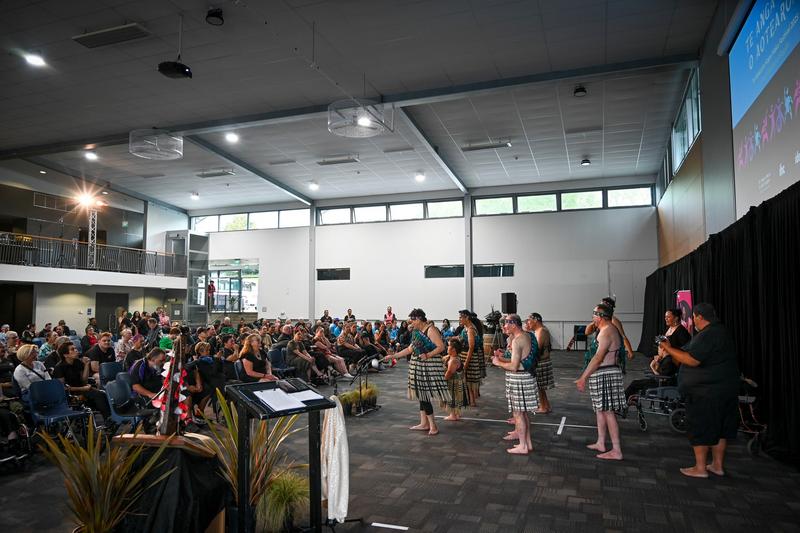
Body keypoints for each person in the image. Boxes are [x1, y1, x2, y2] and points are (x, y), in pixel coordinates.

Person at [659, 303, 739, 478]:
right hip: (723, 389)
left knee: (700, 428)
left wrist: (667, 348)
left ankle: (700, 468)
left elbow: (692, 360)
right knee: (720, 429)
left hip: (706, 393)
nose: (693, 320)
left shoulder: (709, 335)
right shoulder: (721, 332)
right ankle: (717, 466)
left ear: (699, 317)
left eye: (693, 317)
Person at [574, 304, 626, 460]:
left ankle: (616, 450)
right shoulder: (605, 330)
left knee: (608, 411)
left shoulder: (607, 331)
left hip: (606, 373)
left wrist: (584, 377)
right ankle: (601, 442)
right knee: (600, 410)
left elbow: (598, 358)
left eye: (594, 314)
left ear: (601, 316)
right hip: (603, 373)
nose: (592, 317)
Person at [394, 309, 450, 436]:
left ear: (418, 319)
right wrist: (393, 356)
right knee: (421, 394)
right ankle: (424, 423)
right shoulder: (417, 332)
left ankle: (433, 426)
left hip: (429, 367)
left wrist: (428, 354)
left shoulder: (431, 330)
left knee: (424, 395)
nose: (411, 322)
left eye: (412, 320)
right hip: (419, 367)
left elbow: (441, 347)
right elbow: (410, 349)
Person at [492, 314, 539, 455]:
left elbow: (513, 366)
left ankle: (523, 446)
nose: (504, 326)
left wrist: (497, 362)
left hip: (520, 379)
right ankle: (528, 444)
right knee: (523, 414)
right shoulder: (528, 335)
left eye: (506, 323)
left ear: (513, 324)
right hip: (526, 377)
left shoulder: (518, 340)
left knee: (519, 414)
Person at [625, 308, 691, 401]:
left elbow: (684, 349)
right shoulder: (669, 329)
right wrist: (660, 356)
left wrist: (667, 355)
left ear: (676, 318)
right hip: (665, 361)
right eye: (665, 317)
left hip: (672, 364)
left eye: (668, 317)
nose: (666, 319)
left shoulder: (681, 332)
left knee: (639, 384)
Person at [52, 341, 111, 421]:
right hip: (70, 393)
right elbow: (63, 388)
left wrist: (86, 365)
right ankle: (108, 419)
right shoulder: (59, 367)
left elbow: (84, 380)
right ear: (65, 355)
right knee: (98, 396)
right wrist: (83, 388)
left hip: (82, 388)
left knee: (103, 394)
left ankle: (108, 419)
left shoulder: (77, 362)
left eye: (75, 348)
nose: (76, 350)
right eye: (72, 349)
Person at [526, 313, 555, 414]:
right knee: (540, 387)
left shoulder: (541, 330)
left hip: (542, 362)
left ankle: (543, 407)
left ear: (535, 320)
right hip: (542, 360)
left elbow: (536, 348)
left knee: (539, 386)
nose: (528, 322)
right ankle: (546, 406)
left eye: (529, 320)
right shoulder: (540, 330)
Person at [457, 310, 484, 406]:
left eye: (461, 317)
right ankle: (471, 399)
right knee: (467, 378)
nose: (459, 319)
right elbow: (461, 338)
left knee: (469, 379)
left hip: (469, 356)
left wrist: (466, 363)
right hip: (466, 355)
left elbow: (471, 347)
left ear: (467, 318)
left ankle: (472, 400)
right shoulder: (466, 328)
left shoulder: (470, 329)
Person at [442, 338, 468, 422]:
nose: (447, 347)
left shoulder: (453, 361)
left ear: (453, 349)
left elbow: (449, 372)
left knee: (452, 398)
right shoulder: (453, 357)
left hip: (454, 383)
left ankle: (453, 415)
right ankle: (456, 414)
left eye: (449, 346)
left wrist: (443, 381)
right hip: (458, 382)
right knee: (455, 398)